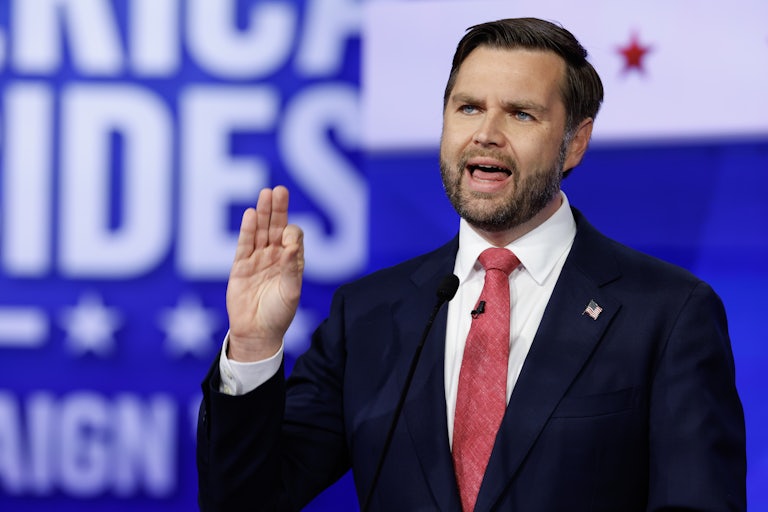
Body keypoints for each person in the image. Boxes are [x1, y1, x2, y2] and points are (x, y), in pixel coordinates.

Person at [196, 17, 746, 512]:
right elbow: (245, 502)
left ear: (575, 143)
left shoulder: (666, 313)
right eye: (469, 107)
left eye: (521, 113)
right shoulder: (367, 313)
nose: (486, 133)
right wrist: (251, 346)